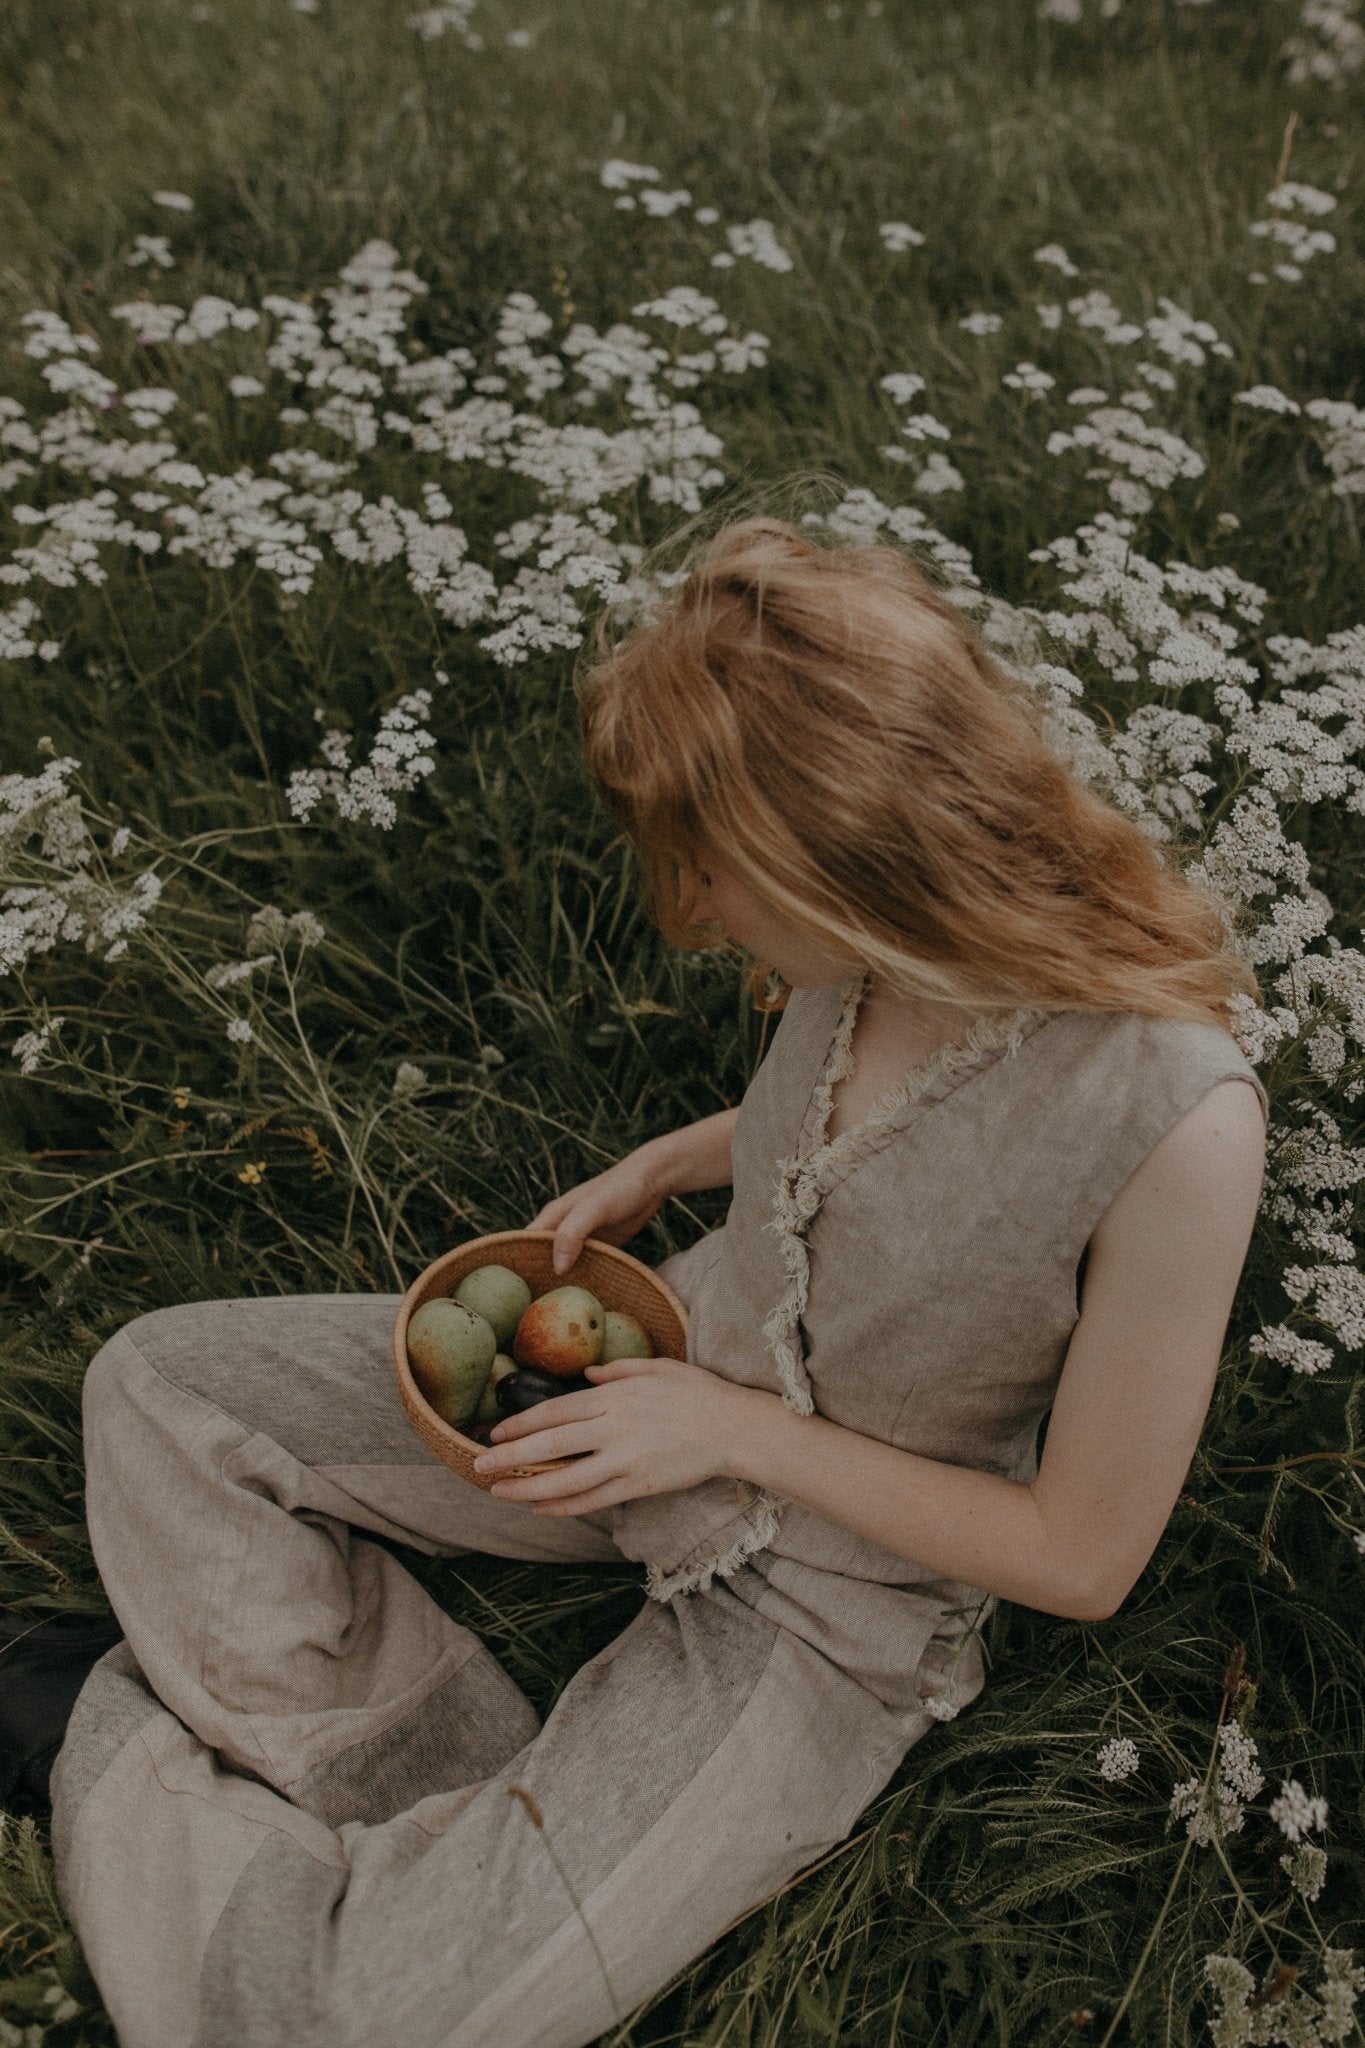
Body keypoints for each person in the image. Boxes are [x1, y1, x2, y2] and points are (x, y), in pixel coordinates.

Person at [12, 514, 1268, 2048]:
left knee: (355, 2030)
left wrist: (731, 1437)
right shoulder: (874, 951)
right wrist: (684, 1163)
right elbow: (870, 1129)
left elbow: (1082, 1559)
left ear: (846, 847)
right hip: (638, 1389)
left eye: (712, 871)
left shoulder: (1173, 1121)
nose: (697, 912)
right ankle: (437, 1802)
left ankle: (97, 1724)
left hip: (818, 1600)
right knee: (161, 1385)